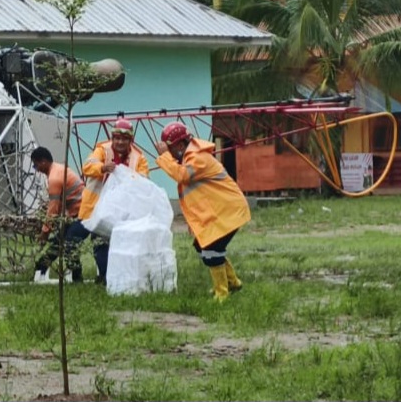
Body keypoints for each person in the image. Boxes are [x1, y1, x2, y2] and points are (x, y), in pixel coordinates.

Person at [153, 121, 250, 302]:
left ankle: (222, 293)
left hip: (228, 212)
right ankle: (233, 283)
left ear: (180, 146)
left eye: (170, 148)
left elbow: (182, 175)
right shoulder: (191, 156)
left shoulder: (198, 158)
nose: (169, 152)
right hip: (222, 211)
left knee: (212, 249)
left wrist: (164, 157)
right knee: (202, 246)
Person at [73, 118, 150, 285]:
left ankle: (107, 277)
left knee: (105, 243)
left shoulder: (139, 158)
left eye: (124, 139)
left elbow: (143, 181)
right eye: (117, 138)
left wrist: (129, 178)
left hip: (119, 211)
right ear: (112, 138)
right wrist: (102, 168)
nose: (120, 142)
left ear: (131, 140)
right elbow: (87, 167)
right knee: (73, 240)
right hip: (93, 208)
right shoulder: (102, 150)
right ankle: (78, 276)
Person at [30, 146, 85, 283]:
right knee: (56, 244)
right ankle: (40, 269)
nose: (36, 170)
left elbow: (53, 209)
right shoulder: (58, 169)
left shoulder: (54, 178)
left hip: (84, 215)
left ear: (43, 162)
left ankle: (77, 279)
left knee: (69, 245)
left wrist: (45, 232)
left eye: (35, 166)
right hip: (74, 215)